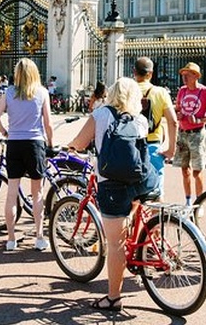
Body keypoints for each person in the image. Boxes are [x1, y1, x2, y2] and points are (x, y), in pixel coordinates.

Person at [67, 77, 159, 313]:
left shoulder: (101, 114)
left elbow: (80, 141)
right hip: (143, 181)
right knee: (132, 216)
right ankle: (142, 250)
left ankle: (113, 298)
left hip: (112, 184)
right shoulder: (140, 119)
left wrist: (72, 146)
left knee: (115, 243)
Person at [0, 58, 53, 252]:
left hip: (14, 144)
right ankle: (39, 237)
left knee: (11, 193)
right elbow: (48, 124)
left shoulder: (9, 92)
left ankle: (11, 239)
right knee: (37, 194)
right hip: (35, 144)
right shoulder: (42, 92)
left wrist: (5, 132)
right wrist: (50, 144)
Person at [134, 57, 178, 198]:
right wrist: (171, 149)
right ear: (151, 74)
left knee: (132, 191)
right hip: (153, 145)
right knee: (155, 192)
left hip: (130, 145)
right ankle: (155, 219)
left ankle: (134, 220)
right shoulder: (160, 92)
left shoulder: (127, 90)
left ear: (134, 72)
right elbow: (173, 121)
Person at [174, 62, 206, 206]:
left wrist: (200, 119)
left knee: (197, 171)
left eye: (188, 74)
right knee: (184, 170)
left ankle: (199, 203)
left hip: (197, 135)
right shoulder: (182, 91)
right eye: (183, 75)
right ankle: (188, 201)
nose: (184, 77)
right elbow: (178, 108)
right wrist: (178, 114)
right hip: (182, 133)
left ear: (196, 76)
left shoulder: (205, 91)